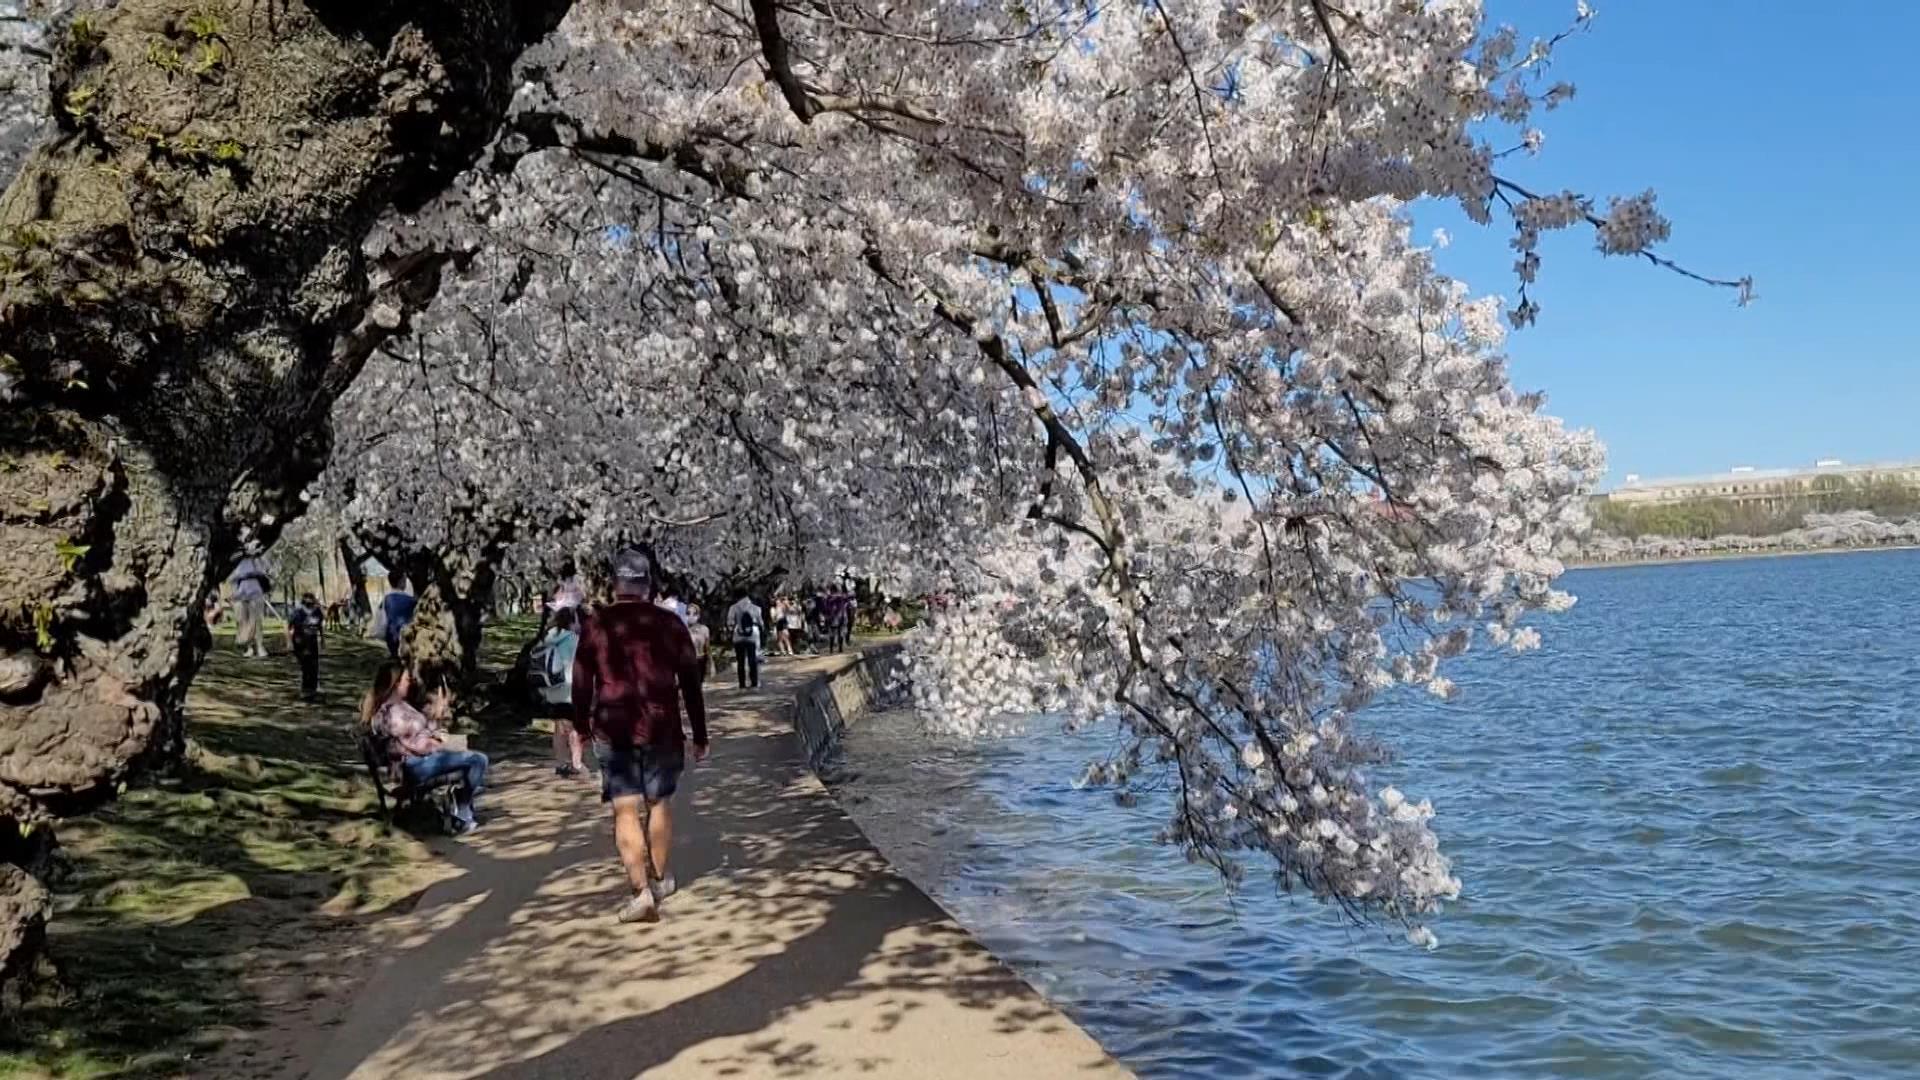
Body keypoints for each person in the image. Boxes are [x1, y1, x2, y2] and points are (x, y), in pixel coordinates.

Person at [571, 548, 708, 923]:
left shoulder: (596, 625)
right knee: (659, 803)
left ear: (616, 584)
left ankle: (640, 892)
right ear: (647, 585)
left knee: (625, 808)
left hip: (613, 728)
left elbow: (582, 683)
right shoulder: (670, 624)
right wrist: (700, 733)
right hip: (662, 727)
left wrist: (580, 729)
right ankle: (661, 880)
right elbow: (691, 683)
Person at [363, 662, 489, 833]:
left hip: (420, 760)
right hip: (414, 766)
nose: (410, 682)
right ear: (396, 683)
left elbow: (423, 731)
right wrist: (440, 744)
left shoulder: (400, 707)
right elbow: (417, 745)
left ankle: (462, 809)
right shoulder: (392, 713)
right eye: (407, 679)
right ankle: (461, 809)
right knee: (477, 759)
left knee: (469, 755)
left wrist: (437, 715)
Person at [530, 608, 587, 777]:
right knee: (575, 728)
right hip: (569, 690)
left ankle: (561, 763)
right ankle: (576, 763)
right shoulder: (573, 640)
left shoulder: (549, 637)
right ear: (572, 622)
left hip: (550, 690)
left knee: (558, 727)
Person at [229, 550, 273, 658]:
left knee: (256, 621)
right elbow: (231, 578)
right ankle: (249, 647)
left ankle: (260, 646)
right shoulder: (236, 559)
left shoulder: (258, 558)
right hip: (240, 593)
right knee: (243, 620)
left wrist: (254, 571)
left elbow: (266, 570)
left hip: (255, 592)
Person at [287, 593, 325, 703]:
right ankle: (305, 690)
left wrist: (322, 639)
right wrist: (289, 642)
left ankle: (312, 689)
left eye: (312, 601)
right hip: (300, 641)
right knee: (306, 666)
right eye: (308, 601)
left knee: (314, 666)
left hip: (313, 642)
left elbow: (320, 627)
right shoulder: (297, 612)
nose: (310, 603)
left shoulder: (317, 612)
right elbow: (289, 627)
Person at [726, 592, 764, 689]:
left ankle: (742, 683)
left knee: (740, 661)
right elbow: (760, 622)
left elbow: (730, 623)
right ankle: (754, 682)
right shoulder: (756, 608)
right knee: (752, 659)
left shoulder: (733, 608)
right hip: (753, 634)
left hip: (738, 634)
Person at [378, 574, 417, 660]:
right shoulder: (412, 600)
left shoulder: (386, 599)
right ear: (401, 582)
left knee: (395, 658)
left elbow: (382, 620)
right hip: (407, 636)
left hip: (391, 636)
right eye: (404, 581)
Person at [686, 603, 712, 678]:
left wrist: (711, 664)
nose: (691, 616)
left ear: (698, 616)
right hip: (687, 663)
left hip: (700, 661)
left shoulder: (704, 629)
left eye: (694, 614)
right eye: (688, 613)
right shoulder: (682, 630)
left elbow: (707, 648)